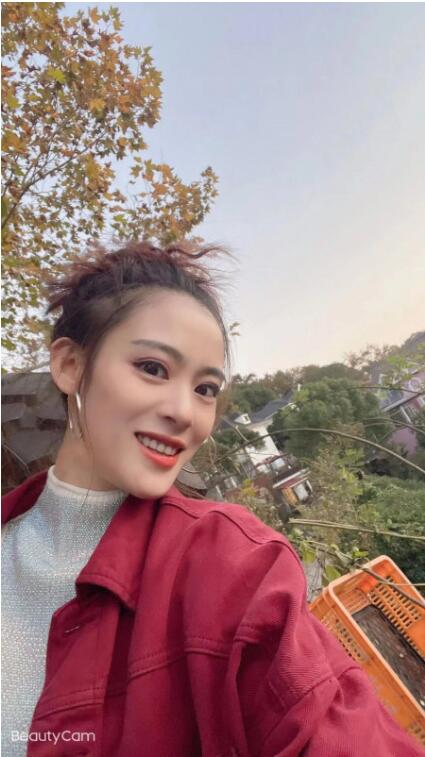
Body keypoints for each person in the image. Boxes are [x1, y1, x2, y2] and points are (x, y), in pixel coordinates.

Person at [1, 240, 423, 757]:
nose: (185, 413)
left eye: (205, 388)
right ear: (70, 364)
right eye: (153, 368)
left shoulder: (234, 566)